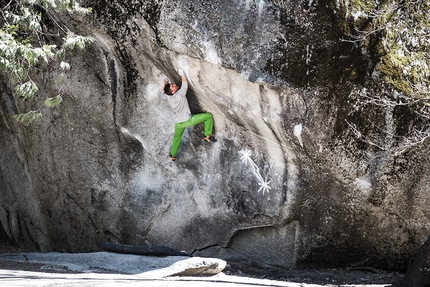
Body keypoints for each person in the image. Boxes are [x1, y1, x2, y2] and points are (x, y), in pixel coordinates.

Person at [161, 69, 217, 161]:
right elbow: (184, 85)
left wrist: (165, 85)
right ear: (173, 92)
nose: (174, 85)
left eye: (172, 85)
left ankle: (173, 155)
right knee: (208, 116)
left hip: (178, 123)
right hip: (187, 120)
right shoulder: (179, 95)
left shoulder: (168, 96)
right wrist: (182, 75)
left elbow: (163, 94)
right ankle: (207, 136)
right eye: (173, 86)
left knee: (177, 137)